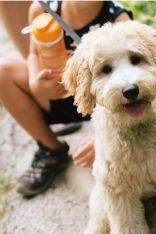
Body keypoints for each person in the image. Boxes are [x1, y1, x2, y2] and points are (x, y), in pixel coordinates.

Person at [0, 1, 132, 197]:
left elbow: (136, 82)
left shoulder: (119, 21)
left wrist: (105, 136)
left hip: (104, 104)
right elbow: (33, 53)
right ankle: (52, 150)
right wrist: (37, 84)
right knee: (3, 71)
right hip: (58, 94)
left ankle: (115, 139)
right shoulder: (43, 9)